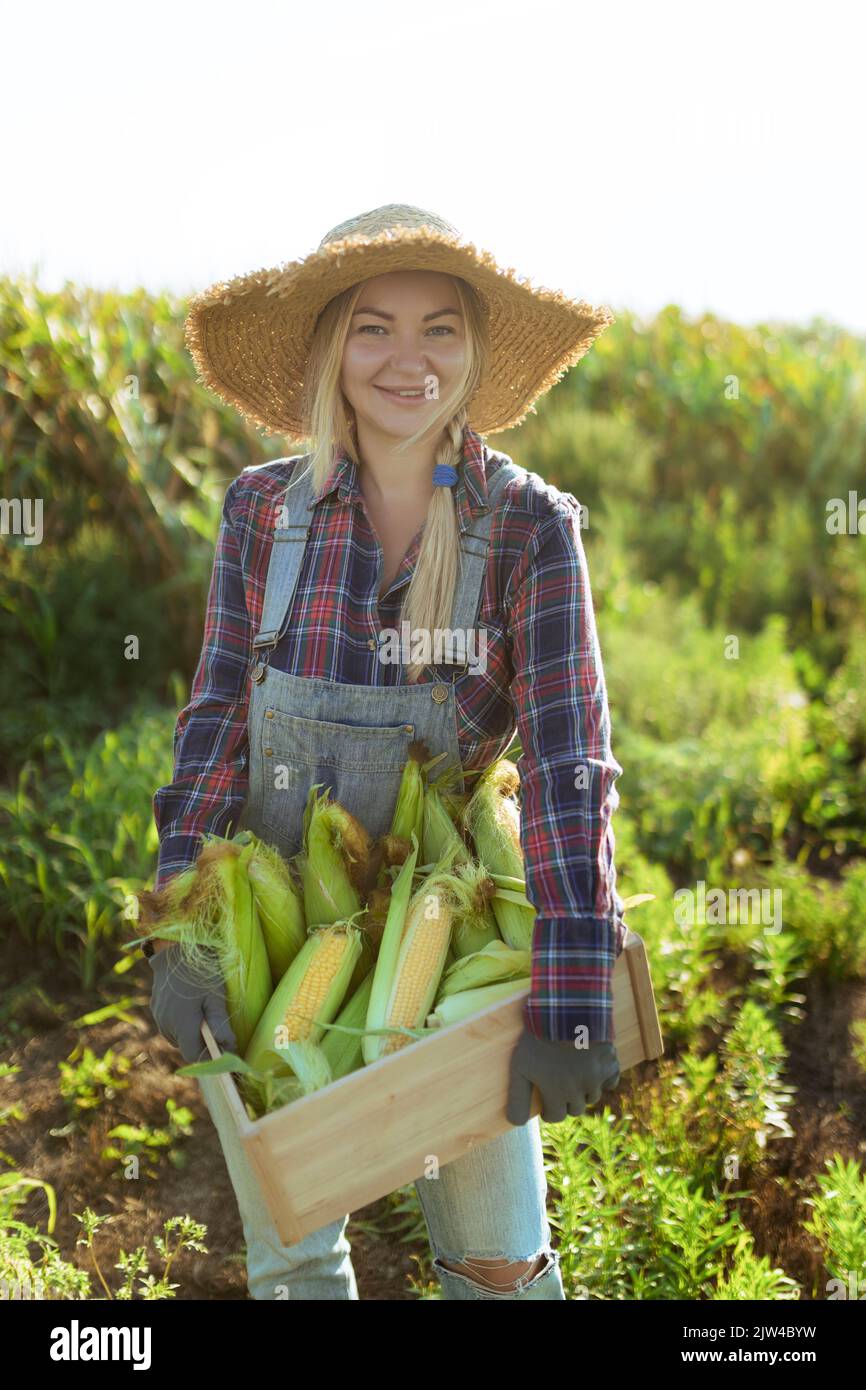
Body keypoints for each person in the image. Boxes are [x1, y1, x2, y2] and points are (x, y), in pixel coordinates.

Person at [147, 203, 626, 1300]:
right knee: (297, 1261)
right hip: (279, 959)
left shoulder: (527, 529)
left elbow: (566, 767)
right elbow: (216, 721)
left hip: (441, 936)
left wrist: (569, 985)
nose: (405, 361)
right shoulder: (260, 513)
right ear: (326, 347)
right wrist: (181, 915)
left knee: (497, 1262)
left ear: (473, 350)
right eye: (372, 327)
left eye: (438, 330)